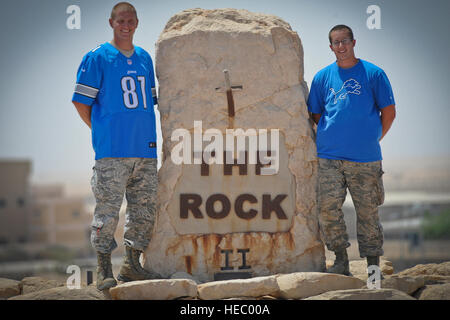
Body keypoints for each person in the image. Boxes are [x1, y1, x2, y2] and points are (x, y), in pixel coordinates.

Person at [72, 2, 160, 290]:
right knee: (107, 211)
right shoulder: (97, 57)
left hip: (145, 150)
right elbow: (80, 101)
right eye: (121, 20)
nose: (126, 24)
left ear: (137, 22)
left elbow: (150, 100)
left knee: (143, 210)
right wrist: (100, 131)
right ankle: (103, 268)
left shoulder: (146, 58)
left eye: (131, 20)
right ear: (112, 22)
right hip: (112, 152)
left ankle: (132, 265)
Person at [307, 25, 396, 277]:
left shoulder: (374, 74)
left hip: (365, 159)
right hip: (329, 158)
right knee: (327, 209)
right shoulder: (322, 77)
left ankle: (372, 268)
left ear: (354, 41)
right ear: (330, 47)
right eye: (336, 42)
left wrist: (373, 137)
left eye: (345, 41)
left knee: (368, 212)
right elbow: (315, 113)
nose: (341, 46)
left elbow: (389, 112)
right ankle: (340, 260)